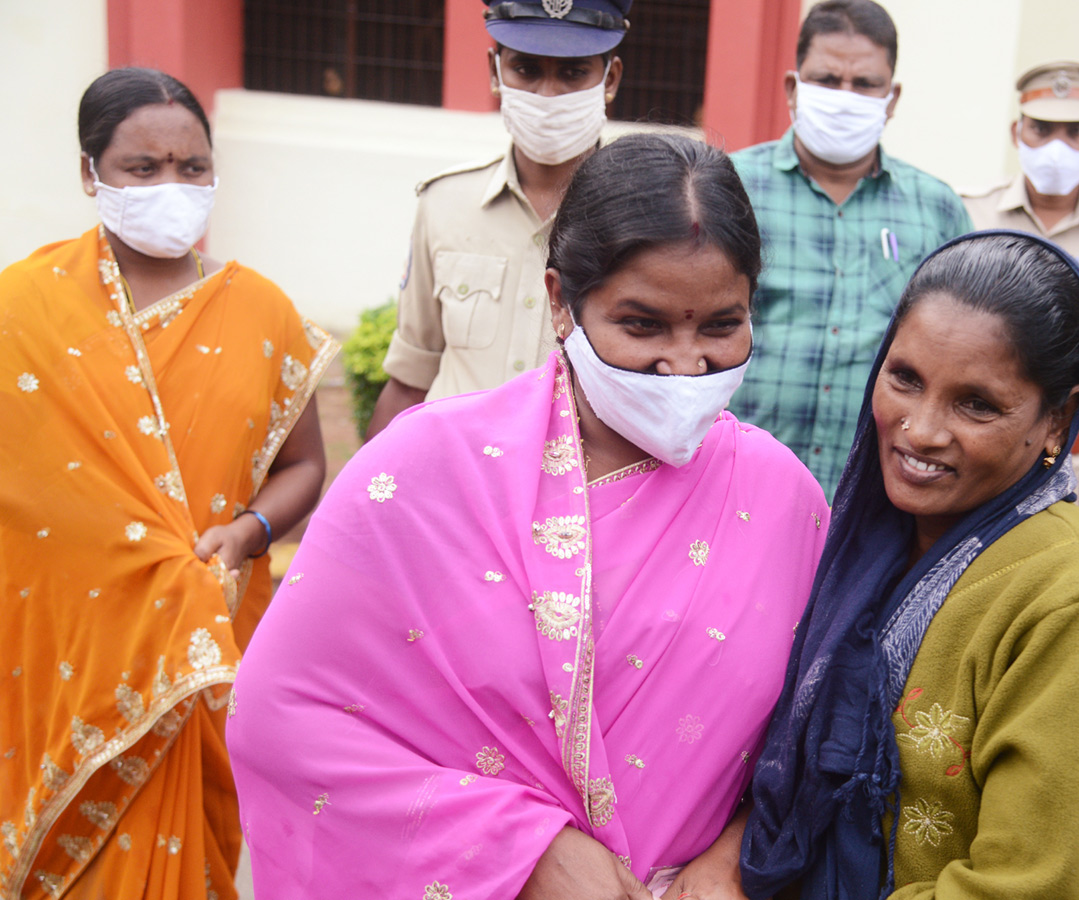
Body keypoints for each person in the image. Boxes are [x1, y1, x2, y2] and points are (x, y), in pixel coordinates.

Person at [227, 133, 828, 899]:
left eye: (719, 325)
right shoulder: (420, 474)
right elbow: (284, 716)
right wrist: (522, 850)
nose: (685, 365)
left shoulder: (787, 503)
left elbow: (815, 738)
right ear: (559, 302)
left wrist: (734, 855)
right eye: (641, 325)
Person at [740, 231, 1079, 900]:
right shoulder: (875, 548)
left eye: (975, 403)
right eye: (905, 379)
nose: (919, 429)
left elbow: (1034, 887)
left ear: (1059, 421)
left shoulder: (1078, 612)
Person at [0, 68, 336, 899]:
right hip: (61, 649)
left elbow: (304, 466)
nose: (171, 187)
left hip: (199, 645)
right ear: (90, 176)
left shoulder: (262, 312)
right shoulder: (20, 310)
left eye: (191, 167)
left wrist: (250, 532)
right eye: (141, 169)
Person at [727, 0, 972, 499]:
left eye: (864, 85)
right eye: (826, 80)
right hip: (737, 487)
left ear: (892, 96)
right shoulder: (728, 187)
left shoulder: (938, 210)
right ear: (793, 88)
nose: (844, 97)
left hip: (874, 501)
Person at [366, 0, 630, 439]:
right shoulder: (445, 202)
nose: (547, 95)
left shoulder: (645, 217)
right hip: (452, 483)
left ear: (610, 79)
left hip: (577, 494)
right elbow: (410, 378)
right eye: (526, 70)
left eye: (573, 72)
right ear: (494, 71)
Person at [961, 61, 1079, 308]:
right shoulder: (969, 212)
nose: (1056, 150)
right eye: (1041, 129)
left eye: (1076, 131)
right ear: (1016, 132)